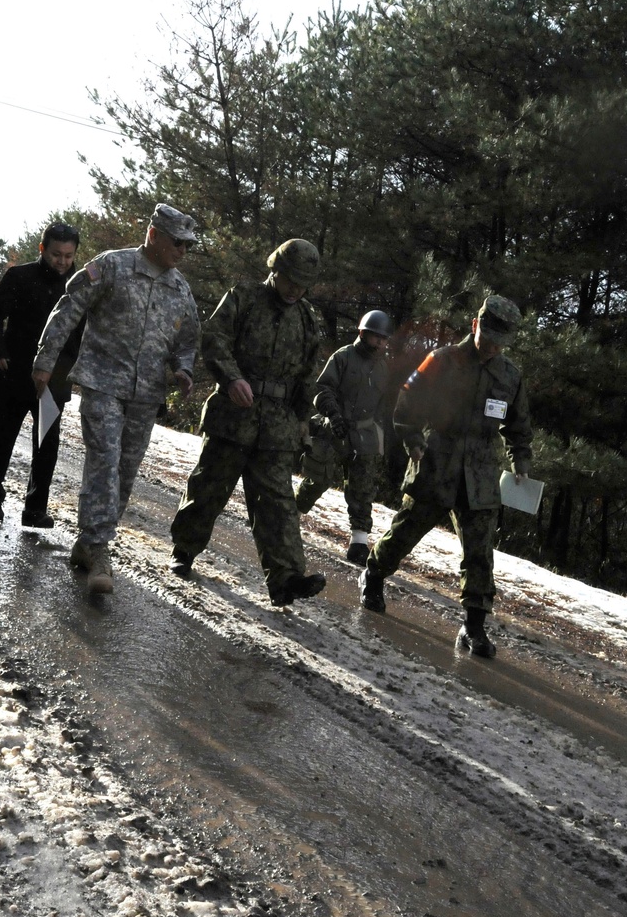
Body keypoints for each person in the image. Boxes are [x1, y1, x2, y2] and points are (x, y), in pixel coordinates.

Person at [33, 203, 200, 596]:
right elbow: (69, 307)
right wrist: (45, 359)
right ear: (154, 235)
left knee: (125, 469)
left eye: (188, 246)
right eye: (177, 242)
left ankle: (88, 543)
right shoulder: (112, 265)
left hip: (146, 394)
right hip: (102, 381)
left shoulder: (180, 289)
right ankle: (99, 546)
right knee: (105, 461)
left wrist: (184, 369)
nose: (182, 251)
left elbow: (187, 340)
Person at [358, 294, 532, 658]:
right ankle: (373, 574)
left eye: (500, 343)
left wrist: (521, 460)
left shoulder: (510, 375)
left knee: (480, 553)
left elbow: (518, 427)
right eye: (488, 339)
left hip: (481, 475)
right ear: (475, 326)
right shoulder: (442, 360)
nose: (492, 348)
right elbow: (407, 401)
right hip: (437, 461)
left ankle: (474, 625)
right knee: (406, 531)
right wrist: (412, 439)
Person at [169, 238, 327, 607]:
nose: (295, 291)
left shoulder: (306, 317)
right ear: (276, 271)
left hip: (277, 426)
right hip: (234, 415)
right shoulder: (244, 296)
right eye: (290, 282)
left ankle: (286, 579)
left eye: (303, 285)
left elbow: (308, 373)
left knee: (277, 503)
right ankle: (184, 549)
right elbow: (215, 338)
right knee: (208, 487)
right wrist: (231, 377)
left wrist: (302, 420)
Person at [0, 221, 83, 527]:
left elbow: (80, 336)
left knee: (47, 445)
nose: (62, 261)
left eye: (68, 255)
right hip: (14, 372)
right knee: (2, 438)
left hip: (53, 381)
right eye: (55, 254)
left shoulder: (78, 287)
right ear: (43, 249)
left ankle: (35, 508)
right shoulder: (19, 276)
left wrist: (63, 372)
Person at [295, 309, 393, 566]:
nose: (380, 343)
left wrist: (383, 434)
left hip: (366, 434)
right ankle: (290, 516)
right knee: (318, 479)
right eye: (376, 337)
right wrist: (333, 415)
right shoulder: (343, 356)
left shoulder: (383, 367)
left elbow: (384, 404)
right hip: (333, 428)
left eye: (384, 339)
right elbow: (322, 388)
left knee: (363, 489)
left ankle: (359, 542)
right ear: (363, 333)